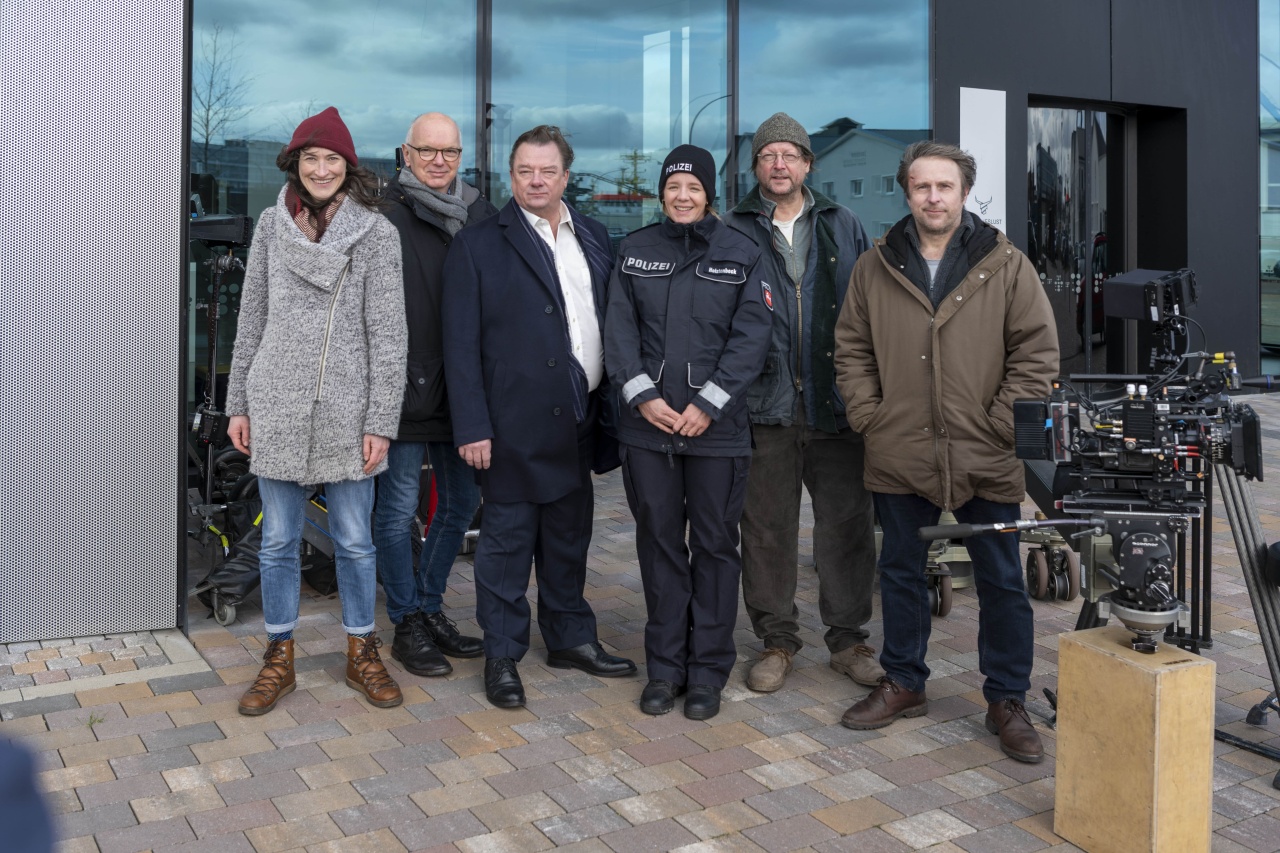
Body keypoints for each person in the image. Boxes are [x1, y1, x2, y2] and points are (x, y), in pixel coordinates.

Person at [833, 141, 1058, 763]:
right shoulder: (875, 267)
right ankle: (904, 681)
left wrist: (997, 426)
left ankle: (1006, 699)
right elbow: (850, 349)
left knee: (1003, 580)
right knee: (900, 572)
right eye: (922, 187)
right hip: (898, 451)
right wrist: (870, 417)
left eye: (945, 187)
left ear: (964, 193)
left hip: (986, 453)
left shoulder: (1006, 264)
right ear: (906, 192)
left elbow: (1036, 356)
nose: (933, 197)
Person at [442, 125, 637, 709]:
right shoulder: (478, 244)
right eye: (524, 170)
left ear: (565, 177)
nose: (535, 180)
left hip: (577, 419)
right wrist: (472, 425)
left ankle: (570, 637)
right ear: (511, 174)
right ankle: (502, 654)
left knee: (568, 538)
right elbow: (460, 344)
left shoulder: (595, 236)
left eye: (546, 171)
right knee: (505, 547)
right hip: (508, 427)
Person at [226, 106, 408, 715]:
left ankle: (362, 649)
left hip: (347, 408)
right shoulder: (271, 226)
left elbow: (389, 335)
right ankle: (279, 654)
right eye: (312, 157)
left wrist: (381, 419)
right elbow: (251, 317)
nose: (323, 168)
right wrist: (238, 404)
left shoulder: (377, 234)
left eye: (333, 159)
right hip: (275, 399)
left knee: (355, 541)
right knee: (277, 541)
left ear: (348, 168)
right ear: (296, 164)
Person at [605, 145, 770, 720]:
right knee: (659, 546)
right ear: (661, 193)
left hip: (716, 434)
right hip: (647, 432)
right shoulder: (634, 251)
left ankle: (707, 673)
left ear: (709, 194)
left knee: (717, 548)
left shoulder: (742, 254)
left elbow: (751, 339)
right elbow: (618, 333)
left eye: (693, 188)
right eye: (673, 187)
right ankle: (665, 669)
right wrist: (642, 397)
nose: (682, 196)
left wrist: (710, 405)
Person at [724, 112, 881, 693]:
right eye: (768, 156)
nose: (779, 164)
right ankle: (777, 640)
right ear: (756, 165)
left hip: (834, 403)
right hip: (763, 406)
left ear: (808, 165)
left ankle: (848, 639)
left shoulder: (845, 225)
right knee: (766, 528)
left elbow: (871, 312)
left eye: (790, 155)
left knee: (847, 525)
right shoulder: (732, 229)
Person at [373, 112, 496, 677]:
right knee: (397, 511)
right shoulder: (384, 217)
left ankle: (428, 606)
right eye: (427, 152)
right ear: (407, 153)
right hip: (402, 388)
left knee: (461, 504)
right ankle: (406, 621)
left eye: (448, 152)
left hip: (462, 391)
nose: (439, 162)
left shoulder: (482, 216)